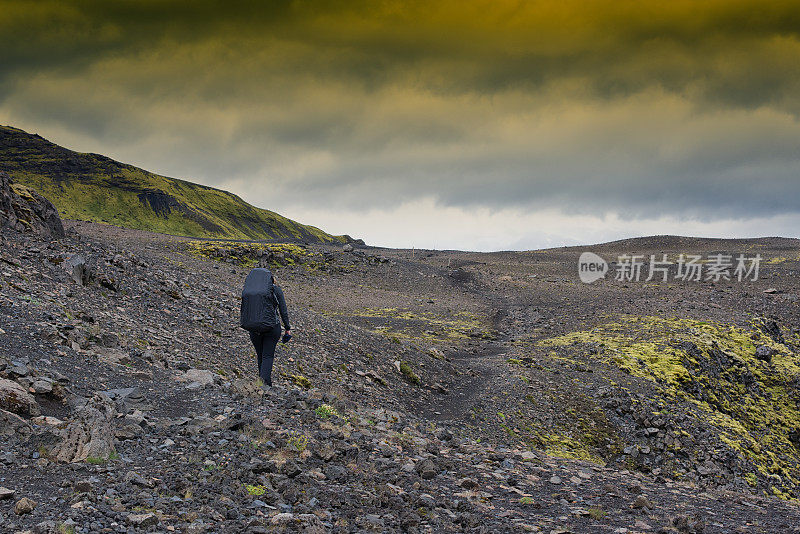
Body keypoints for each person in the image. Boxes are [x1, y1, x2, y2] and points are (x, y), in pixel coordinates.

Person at [248, 274, 291, 388]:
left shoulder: (251, 290)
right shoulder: (275, 290)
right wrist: (287, 328)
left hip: (254, 328)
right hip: (272, 327)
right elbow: (283, 310)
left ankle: (264, 383)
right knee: (268, 355)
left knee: (260, 355)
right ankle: (263, 384)